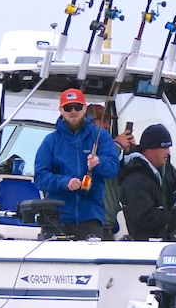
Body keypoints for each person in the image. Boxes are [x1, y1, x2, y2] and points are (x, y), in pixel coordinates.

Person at [33, 88, 121, 240]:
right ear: (61, 110)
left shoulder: (101, 136)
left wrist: (99, 162)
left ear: (85, 108)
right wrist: (64, 182)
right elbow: (40, 177)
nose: (73, 111)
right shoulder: (50, 141)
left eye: (78, 107)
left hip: (91, 217)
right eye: (68, 108)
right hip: (56, 218)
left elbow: (113, 168)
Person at [118, 123, 176, 241]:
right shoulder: (135, 178)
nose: (168, 152)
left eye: (169, 147)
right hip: (147, 246)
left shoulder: (168, 170)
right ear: (149, 149)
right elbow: (144, 217)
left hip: (171, 240)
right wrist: (175, 214)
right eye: (164, 148)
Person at [87, 104, 136, 240]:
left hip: (109, 221)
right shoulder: (84, 144)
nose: (107, 126)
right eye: (103, 121)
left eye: (109, 122)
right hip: (94, 220)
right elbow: (93, 164)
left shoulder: (109, 148)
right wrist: (117, 145)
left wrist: (130, 152)